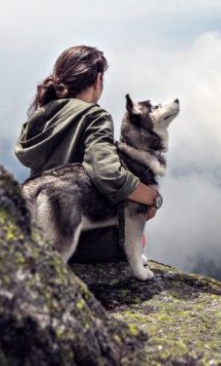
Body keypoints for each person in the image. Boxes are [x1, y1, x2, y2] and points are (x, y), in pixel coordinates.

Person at [14, 45, 159, 263]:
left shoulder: (41, 116)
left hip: (42, 235)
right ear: (98, 79)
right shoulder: (94, 116)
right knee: (138, 238)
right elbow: (107, 172)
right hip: (83, 243)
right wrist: (152, 197)